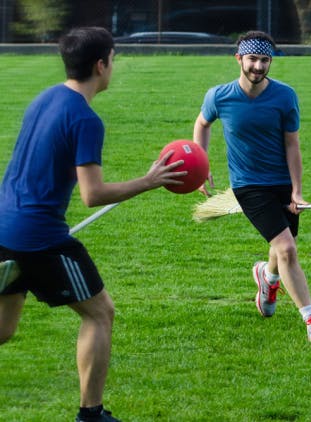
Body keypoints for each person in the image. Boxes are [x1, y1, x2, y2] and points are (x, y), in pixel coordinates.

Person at [0, 27, 186, 421]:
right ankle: (91, 414)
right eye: (113, 60)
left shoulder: (45, 97)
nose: (113, 67)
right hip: (39, 238)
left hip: (4, 226)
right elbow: (93, 194)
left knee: (3, 329)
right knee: (100, 312)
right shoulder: (85, 119)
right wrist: (149, 181)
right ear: (101, 65)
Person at [193, 30, 311, 342]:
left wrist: (296, 191)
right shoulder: (219, 96)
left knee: (281, 249)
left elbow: (292, 146)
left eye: (264, 60)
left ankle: (267, 278)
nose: (258, 66)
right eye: (252, 59)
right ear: (239, 59)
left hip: (281, 181)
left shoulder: (285, 96)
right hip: (249, 185)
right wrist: (201, 166)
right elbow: (202, 124)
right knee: (287, 248)